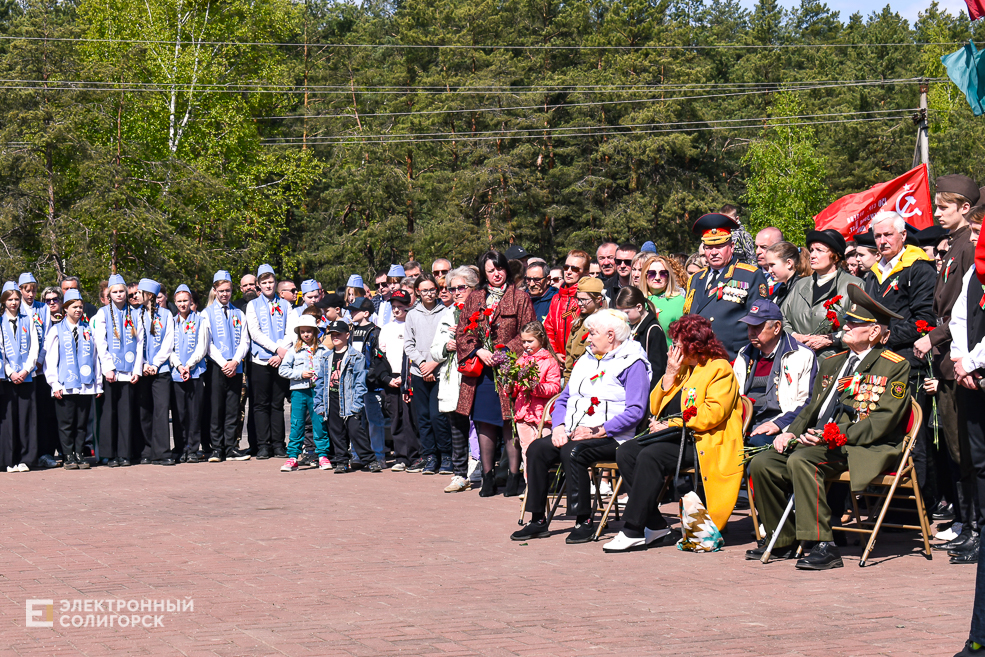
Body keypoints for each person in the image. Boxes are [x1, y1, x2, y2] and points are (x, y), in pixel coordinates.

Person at [747, 283, 911, 570]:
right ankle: (781, 538)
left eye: (854, 323)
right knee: (763, 463)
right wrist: (789, 431)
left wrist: (833, 436)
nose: (845, 326)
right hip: (818, 439)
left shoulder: (893, 366)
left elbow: (883, 420)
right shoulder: (834, 363)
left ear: (873, 332)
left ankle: (824, 545)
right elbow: (812, 408)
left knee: (803, 461)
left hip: (858, 445)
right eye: (846, 320)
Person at [603, 314, 744, 552]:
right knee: (627, 451)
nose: (673, 350)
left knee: (651, 456)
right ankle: (655, 524)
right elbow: (656, 407)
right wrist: (669, 374)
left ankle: (632, 529)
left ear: (694, 345)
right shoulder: (682, 369)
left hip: (703, 440)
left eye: (678, 345)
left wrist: (674, 424)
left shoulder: (718, 369)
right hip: (675, 437)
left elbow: (713, 414)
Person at [512, 309, 651, 544]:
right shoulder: (585, 360)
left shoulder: (632, 362)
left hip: (613, 436)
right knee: (537, 449)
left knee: (573, 451)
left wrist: (598, 430)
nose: (587, 338)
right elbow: (564, 398)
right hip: (574, 430)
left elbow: (636, 411)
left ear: (610, 335)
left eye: (593, 333)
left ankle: (583, 520)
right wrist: (558, 427)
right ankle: (537, 519)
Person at [914, 175, 981, 560]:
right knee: (957, 450)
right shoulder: (954, 245)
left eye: (944, 207)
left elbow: (964, 311)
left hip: (961, 358)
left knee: (967, 452)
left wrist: (935, 339)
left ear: (965, 208)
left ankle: (974, 527)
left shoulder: (968, 248)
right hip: (949, 360)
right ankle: (966, 523)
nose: (937, 212)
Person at [455, 250, 536, 497]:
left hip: (508, 370)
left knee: (509, 423)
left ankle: (513, 477)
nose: (496, 274)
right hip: (481, 373)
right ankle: (488, 477)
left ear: (506, 270)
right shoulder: (475, 297)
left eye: (499, 269)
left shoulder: (520, 297)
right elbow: (462, 333)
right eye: (491, 270)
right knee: (485, 424)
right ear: (484, 273)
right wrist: (479, 351)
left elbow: (529, 331)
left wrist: (503, 353)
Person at [683, 213, 768, 359]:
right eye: (709, 247)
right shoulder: (697, 278)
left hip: (733, 358)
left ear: (732, 246)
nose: (714, 252)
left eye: (720, 246)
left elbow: (761, 321)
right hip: (699, 359)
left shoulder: (749, 275)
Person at [732, 300, 816, 447]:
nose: (751, 332)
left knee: (758, 441)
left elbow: (807, 402)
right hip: (744, 421)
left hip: (781, 424)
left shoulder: (802, 355)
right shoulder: (744, 354)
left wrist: (778, 423)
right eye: (749, 326)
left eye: (757, 327)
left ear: (777, 327)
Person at [430, 267, 478, 493]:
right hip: (453, 376)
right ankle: (459, 473)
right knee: (457, 426)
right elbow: (434, 351)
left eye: (461, 287)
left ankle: (485, 470)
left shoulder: (483, 310)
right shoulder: (447, 315)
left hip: (478, 376)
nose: (456, 292)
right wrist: (446, 346)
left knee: (483, 425)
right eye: (453, 288)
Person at [781, 229, 861, 359]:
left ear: (835, 256)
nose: (812, 255)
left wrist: (831, 339)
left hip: (834, 363)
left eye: (819, 250)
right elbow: (781, 318)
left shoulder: (853, 286)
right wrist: (794, 336)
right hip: (797, 361)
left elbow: (862, 327)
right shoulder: (800, 286)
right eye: (812, 250)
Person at [196, 270, 251, 462]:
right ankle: (217, 448)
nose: (225, 294)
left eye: (228, 290)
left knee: (232, 408)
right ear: (215, 291)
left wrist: (235, 361)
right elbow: (207, 343)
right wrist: (223, 363)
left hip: (235, 366)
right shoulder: (206, 314)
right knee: (216, 408)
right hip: (216, 367)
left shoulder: (238, 313)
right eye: (221, 290)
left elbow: (245, 341)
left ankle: (230, 447)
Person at [43, 289, 101, 470]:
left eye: (80, 307)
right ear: (66, 308)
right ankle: (68, 454)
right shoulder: (56, 330)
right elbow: (50, 360)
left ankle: (78, 453)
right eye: (74, 307)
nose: (78, 310)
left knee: (82, 423)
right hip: (65, 385)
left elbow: (94, 358)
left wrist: (97, 384)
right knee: (66, 423)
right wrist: (54, 383)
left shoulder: (87, 330)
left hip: (84, 386)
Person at [404, 273, 453, 475]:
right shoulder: (412, 314)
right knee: (423, 417)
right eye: (424, 290)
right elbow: (409, 344)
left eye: (432, 289)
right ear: (417, 292)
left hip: (440, 371)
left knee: (438, 416)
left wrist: (434, 363)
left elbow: (450, 341)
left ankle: (446, 455)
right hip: (419, 371)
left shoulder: (447, 313)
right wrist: (423, 364)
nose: (429, 293)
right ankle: (430, 455)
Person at [93, 274, 143, 467]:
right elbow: (100, 341)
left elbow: (140, 343)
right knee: (109, 414)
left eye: (122, 291)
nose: (119, 295)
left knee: (126, 414)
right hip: (111, 373)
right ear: (109, 294)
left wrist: (137, 369)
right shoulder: (102, 313)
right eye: (115, 292)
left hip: (129, 371)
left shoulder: (135, 313)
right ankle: (109, 454)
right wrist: (108, 368)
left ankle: (125, 453)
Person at [314, 320, 375, 474]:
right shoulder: (326, 357)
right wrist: (319, 403)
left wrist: (356, 404)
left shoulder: (356, 356)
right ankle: (341, 461)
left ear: (347, 335)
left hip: (349, 400)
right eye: (333, 335)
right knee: (336, 431)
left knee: (355, 430)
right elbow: (320, 381)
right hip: (331, 399)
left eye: (338, 334)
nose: (335, 337)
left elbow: (360, 382)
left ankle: (369, 459)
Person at [245, 264, 292, 460]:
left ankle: (279, 444)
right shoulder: (252, 305)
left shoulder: (286, 305)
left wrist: (281, 353)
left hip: (280, 360)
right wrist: (275, 349)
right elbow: (255, 333)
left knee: (277, 404)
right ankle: (263, 445)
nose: (268, 285)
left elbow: (291, 330)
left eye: (271, 281)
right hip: (260, 361)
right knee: (260, 404)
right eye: (264, 282)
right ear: (258, 284)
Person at [278, 314, 330, 471]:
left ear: (315, 332)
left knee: (319, 422)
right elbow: (283, 369)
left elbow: (329, 369)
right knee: (297, 423)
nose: (306, 334)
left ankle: (322, 455)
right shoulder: (293, 351)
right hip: (299, 391)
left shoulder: (323, 350)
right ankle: (293, 456)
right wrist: (300, 374)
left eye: (309, 331)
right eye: (303, 332)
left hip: (317, 391)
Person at [512, 321, 563, 482]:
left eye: (530, 341)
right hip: (523, 412)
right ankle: (530, 485)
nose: (526, 345)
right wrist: (509, 387)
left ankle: (544, 483)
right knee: (526, 450)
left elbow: (554, 388)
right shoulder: (520, 361)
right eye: (523, 341)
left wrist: (535, 387)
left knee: (541, 450)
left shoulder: (549, 361)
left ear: (541, 339)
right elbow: (516, 388)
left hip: (542, 414)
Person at [377, 289, 419, 471]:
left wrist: (406, 376)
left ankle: (416, 456)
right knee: (396, 418)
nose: (396, 310)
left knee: (411, 417)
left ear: (408, 307)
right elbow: (380, 356)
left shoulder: (412, 325)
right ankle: (401, 456)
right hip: (392, 378)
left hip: (410, 376)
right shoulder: (386, 329)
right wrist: (387, 379)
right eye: (393, 307)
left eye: (400, 307)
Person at [0, 282, 39, 472]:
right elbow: (0, 351)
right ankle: (9, 459)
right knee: (9, 420)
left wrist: (25, 370)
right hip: (7, 378)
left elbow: (34, 348)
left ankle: (26, 458)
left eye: (16, 299)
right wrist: (10, 372)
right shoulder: (0, 322)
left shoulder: (28, 320)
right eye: (10, 299)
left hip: (26, 377)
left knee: (26, 419)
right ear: (4, 301)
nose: (14, 303)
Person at [136, 278, 175, 466]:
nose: (135, 296)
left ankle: (162, 452)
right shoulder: (135, 314)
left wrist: (156, 364)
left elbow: (168, 342)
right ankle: (147, 450)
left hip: (161, 370)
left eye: (139, 293)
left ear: (149, 295)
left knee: (161, 411)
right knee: (144, 411)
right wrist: (143, 364)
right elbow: (135, 343)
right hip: (141, 370)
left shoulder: (167, 315)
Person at [348, 297, 386, 471]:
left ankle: (378, 456)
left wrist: (367, 377)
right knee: (355, 421)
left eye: (355, 310)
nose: (351, 313)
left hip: (371, 384)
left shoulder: (375, 331)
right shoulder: (350, 331)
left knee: (374, 421)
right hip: (353, 384)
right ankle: (358, 455)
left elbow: (378, 359)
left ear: (366, 313)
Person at [169, 284, 207, 463]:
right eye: (179, 301)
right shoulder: (172, 321)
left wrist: (189, 365)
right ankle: (179, 447)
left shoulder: (200, 320)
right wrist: (178, 365)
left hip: (195, 372)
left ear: (191, 301)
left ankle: (193, 448)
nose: (183, 304)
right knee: (179, 414)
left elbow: (202, 346)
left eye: (186, 301)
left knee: (194, 413)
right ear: (175, 302)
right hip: (177, 374)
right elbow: (169, 347)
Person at [613, 287, 667, 391]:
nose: (623, 317)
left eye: (626, 313)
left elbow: (658, 369)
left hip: (646, 391)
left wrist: (649, 395)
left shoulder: (654, 330)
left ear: (639, 307)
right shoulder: (632, 325)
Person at [544, 250, 589, 355]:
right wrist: (555, 353)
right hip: (557, 358)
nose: (568, 272)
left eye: (574, 269)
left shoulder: (589, 298)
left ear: (586, 272)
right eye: (566, 267)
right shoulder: (556, 298)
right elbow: (548, 328)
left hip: (580, 359)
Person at [563, 277, 607, 381]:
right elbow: (569, 355)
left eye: (584, 300)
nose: (579, 303)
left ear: (598, 299)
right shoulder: (578, 322)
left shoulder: (603, 323)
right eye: (578, 299)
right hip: (574, 378)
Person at [639, 255, 686, 348]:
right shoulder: (638, 300)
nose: (657, 277)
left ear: (669, 276)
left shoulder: (679, 301)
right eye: (652, 273)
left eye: (663, 273)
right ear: (645, 276)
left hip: (668, 358)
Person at [764, 241, 809, 307]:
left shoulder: (801, 289)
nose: (769, 271)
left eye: (772, 265)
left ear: (789, 263)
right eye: (768, 266)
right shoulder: (783, 288)